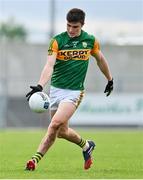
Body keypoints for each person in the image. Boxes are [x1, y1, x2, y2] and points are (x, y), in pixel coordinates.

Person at [25, 8, 113, 171]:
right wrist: (39, 85)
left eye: (75, 27)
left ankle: (34, 160)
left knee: (54, 124)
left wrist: (109, 79)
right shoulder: (57, 41)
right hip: (56, 90)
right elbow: (49, 65)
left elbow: (100, 59)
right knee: (61, 131)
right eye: (68, 26)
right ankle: (87, 145)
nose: (71, 30)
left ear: (82, 25)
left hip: (74, 92)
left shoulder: (90, 41)